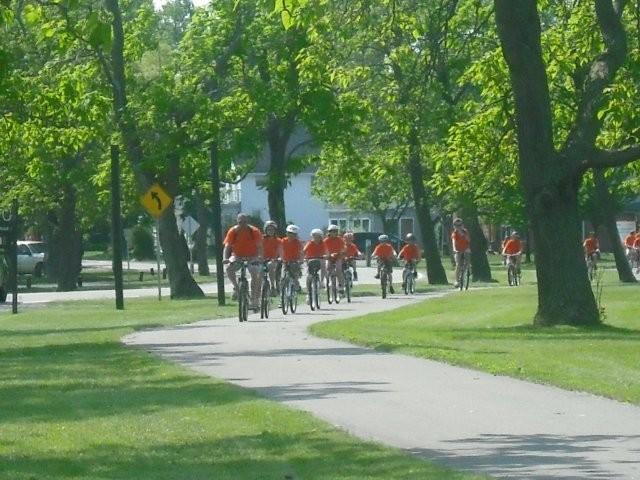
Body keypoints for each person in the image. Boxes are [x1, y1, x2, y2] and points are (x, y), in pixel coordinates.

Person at [223, 213, 263, 309]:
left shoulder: (254, 231)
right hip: (237, 256)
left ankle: (254, 299)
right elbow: (227, 246)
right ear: (237, 222)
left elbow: (259, 246)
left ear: (247, 222)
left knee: (255, 274)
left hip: (252, 256)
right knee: (229, 269)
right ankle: (236, 288)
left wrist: (259, 257)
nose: (242, 224)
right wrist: (225, 258)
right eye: (240, 222)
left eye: (244, 222)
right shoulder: (233, 231)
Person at [280, 224, 304, 291]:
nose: (291, 235)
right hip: (285, 261)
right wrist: (280, 258)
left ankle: (297, 286)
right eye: (289, 233)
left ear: (296, 235)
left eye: (293, 234)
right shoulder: (283, 241)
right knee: (283, 276)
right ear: (286, 233)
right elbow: (279, 250)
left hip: (295, 261)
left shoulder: (298, 242)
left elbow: (302, 252)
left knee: (294, 276)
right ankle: (282, 292)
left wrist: (301, 260)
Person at [324, 224, 346, 294]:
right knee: (327, 268)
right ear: (329, 232)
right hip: (329, 257)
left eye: (335, 231)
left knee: (338, 269)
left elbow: (344, 246)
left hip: (338, 257)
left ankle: (341, 286)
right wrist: (325, 254)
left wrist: (342, 251)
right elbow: (322, 248)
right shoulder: (326, 240)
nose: (334, 233)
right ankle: (328, 283)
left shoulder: (340, 239)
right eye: (332, 231)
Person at [262, 220, 282, 296]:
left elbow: (280, 251)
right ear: (265, 230)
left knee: (271, 265)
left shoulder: (278, 241)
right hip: (262, 260)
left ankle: (272, 286)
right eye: (269, 229)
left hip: (274, 260)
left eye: (272, 229)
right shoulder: (261, 239)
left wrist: (279, 258)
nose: (270, 231)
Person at [451, 218, 470, 288]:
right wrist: (454, 249)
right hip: (458, 250)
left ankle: (464, 273)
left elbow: (468, 240)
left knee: (467, 263)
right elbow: (453, 242)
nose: (458, 227)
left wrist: (463, 234)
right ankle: (457, 280)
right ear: (454, 226)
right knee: (458, 264)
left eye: (460, 225)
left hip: (466, 249)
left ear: (462, 225)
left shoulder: (465, 232)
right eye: (456, 225)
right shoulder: (454, 233)